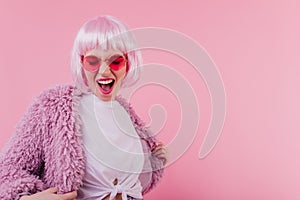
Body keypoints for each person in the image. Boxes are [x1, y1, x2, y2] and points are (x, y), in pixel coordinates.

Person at [0, 15, 167, 200]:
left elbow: (132, 183)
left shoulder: (126, 114)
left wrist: (154, 160)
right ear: (81, 63)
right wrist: (25, 198)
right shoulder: (54, 107)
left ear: (128, 64)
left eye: (115, 61)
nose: (104, 71)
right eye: (93, 61)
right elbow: (8, 170)